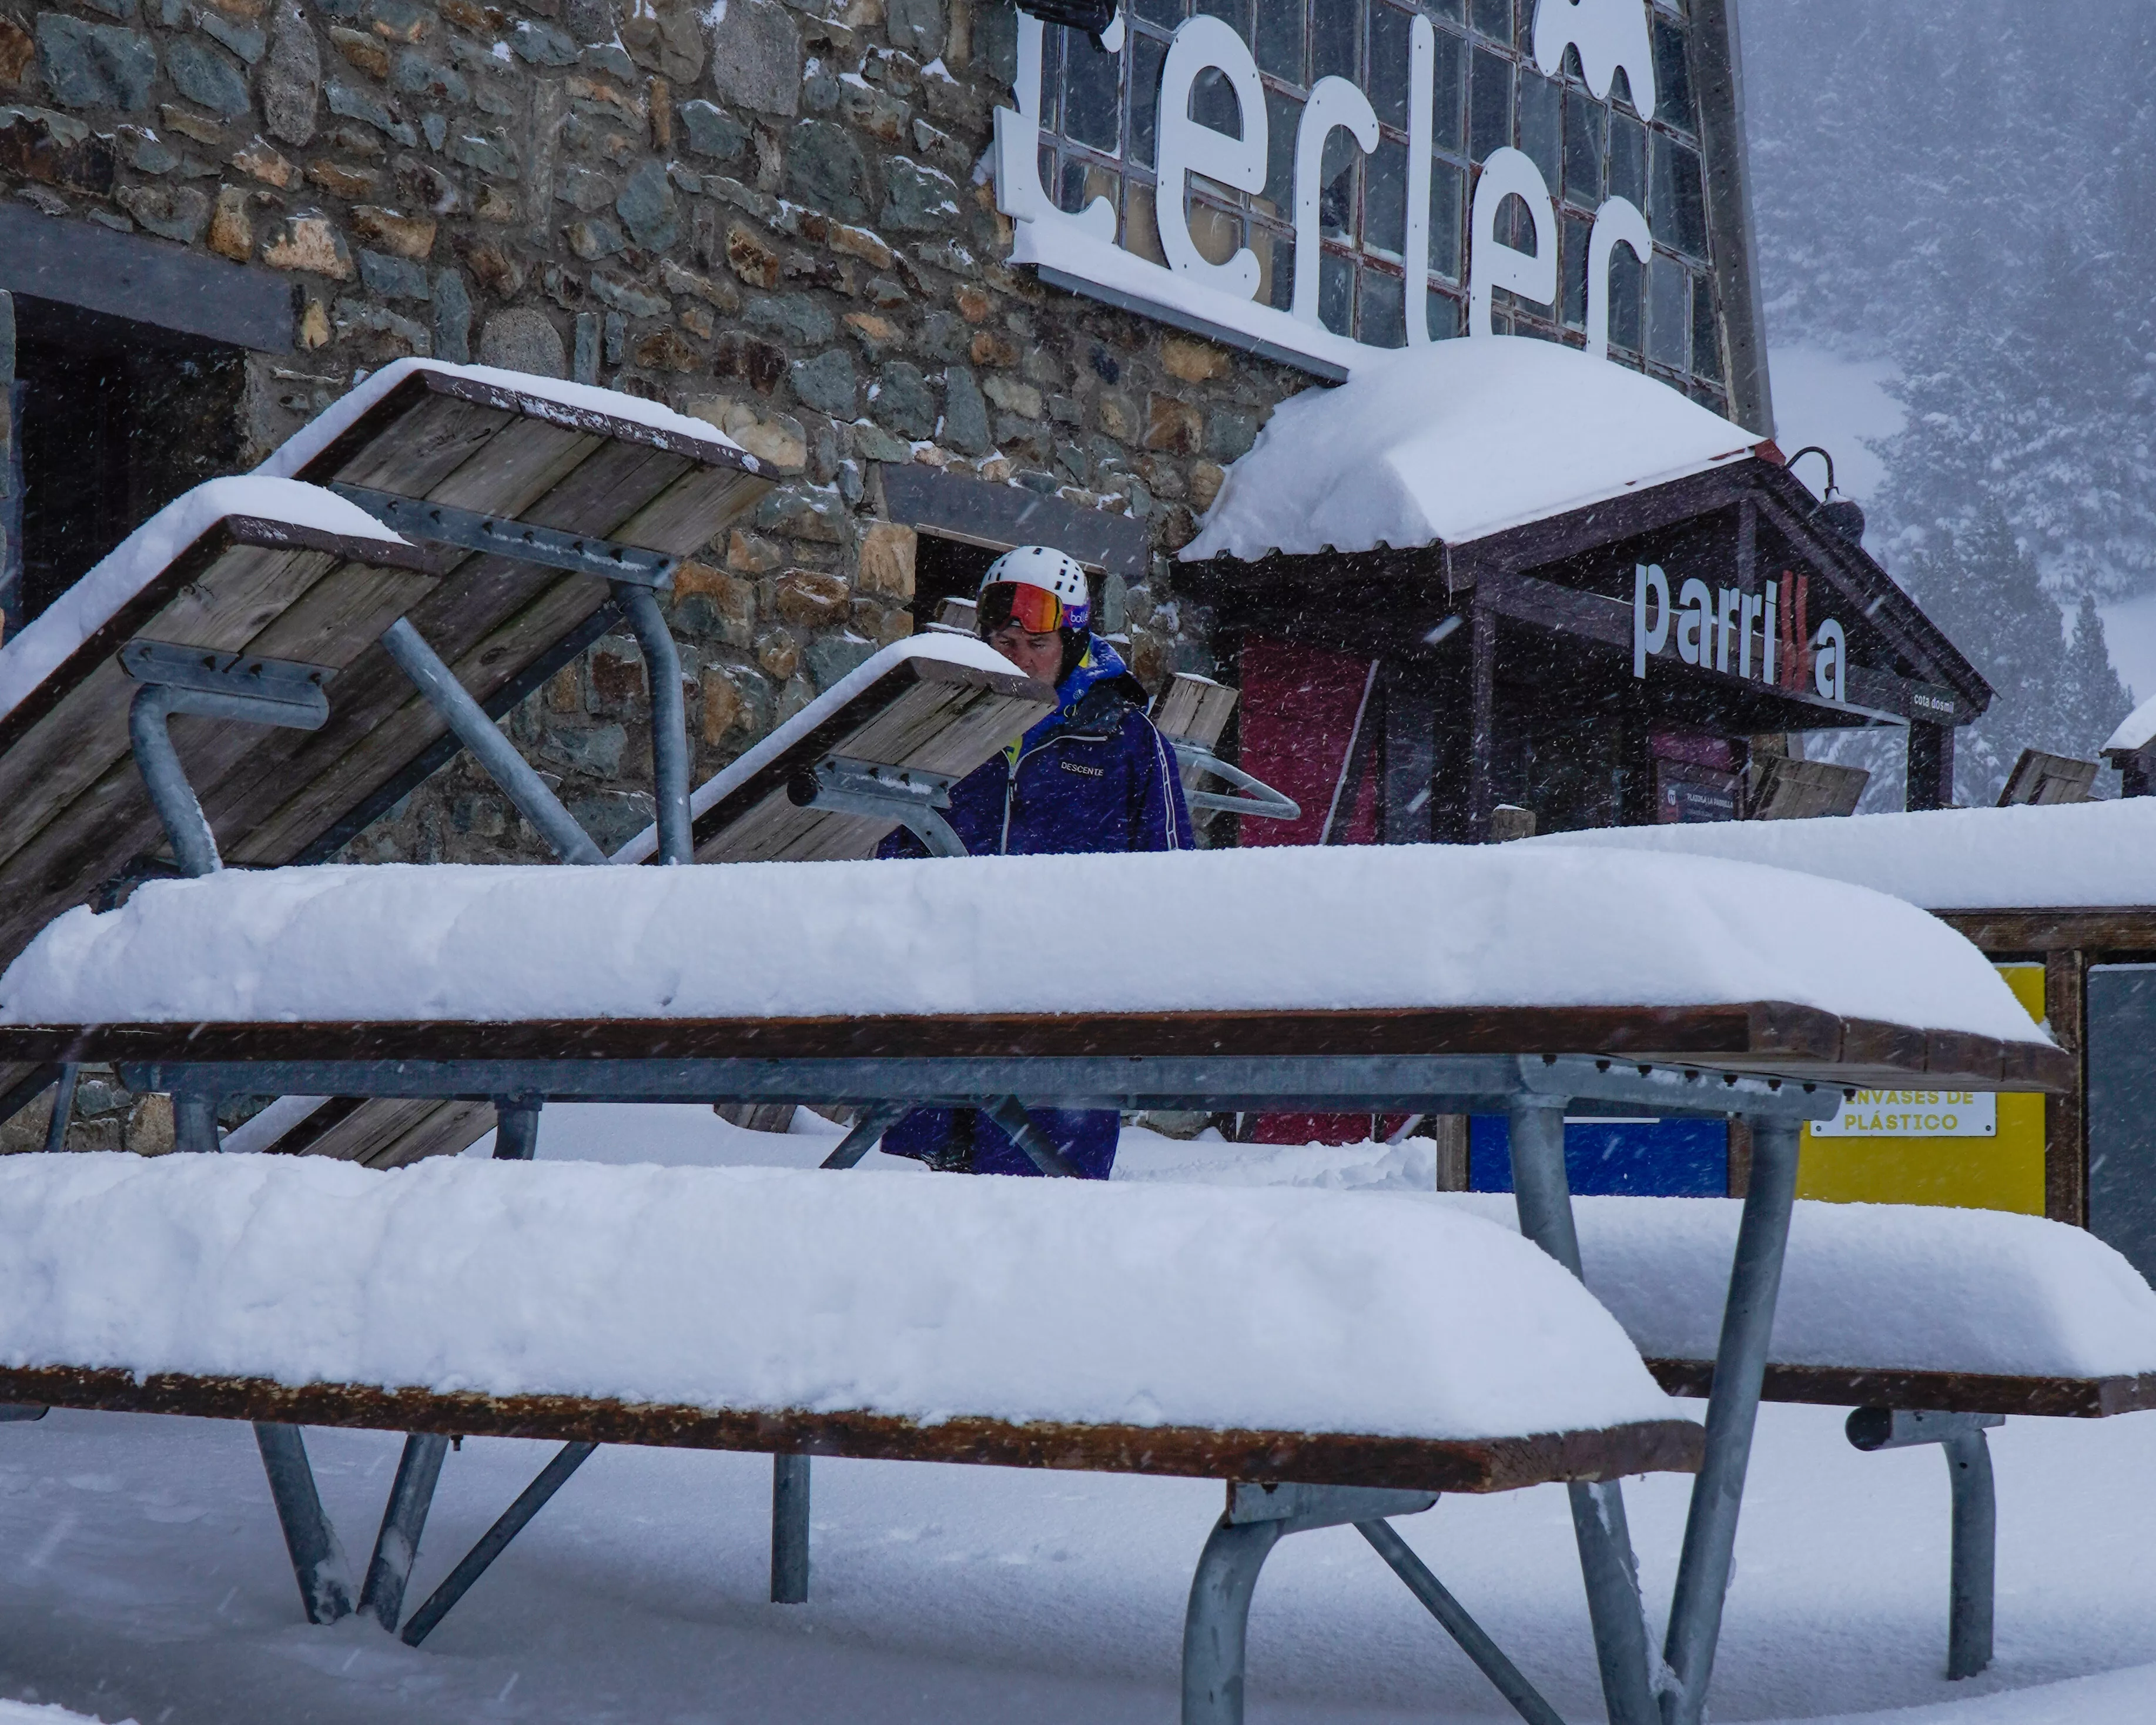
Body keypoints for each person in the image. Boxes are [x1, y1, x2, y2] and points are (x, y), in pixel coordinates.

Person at [875, 544, 1194, 1179]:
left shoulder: (1128, 743)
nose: (1016, 658)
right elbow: (891, 849)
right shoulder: (943, 725)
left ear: (1073, 643)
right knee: (931, 1210)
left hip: (1066, 1003)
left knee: (1048, 1205)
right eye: (1002, 639)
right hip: (948, 993)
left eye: (1036, 643)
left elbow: (1173, 879)